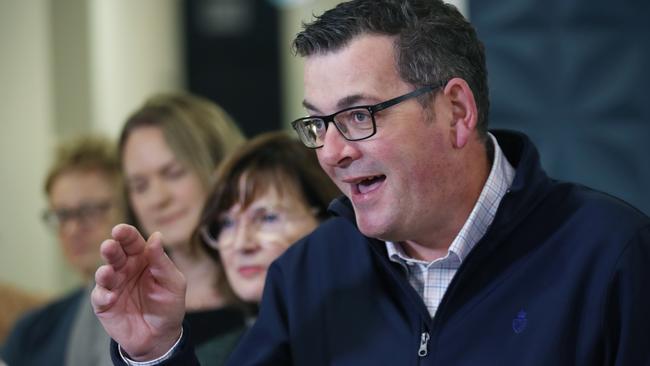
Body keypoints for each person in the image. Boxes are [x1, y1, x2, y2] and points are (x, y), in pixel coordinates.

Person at [92, 1, 650, 365]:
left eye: (360, 116)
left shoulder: (611, 255)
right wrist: (155, 351)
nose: (331, 153)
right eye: (318, 122)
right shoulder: (308, 273)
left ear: (456, 110)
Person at [115, 93, 248, 364]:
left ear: (220, 168)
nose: (158, 199)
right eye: (140, 186)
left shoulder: (273, 288)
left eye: (174, 173)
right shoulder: (120, 302)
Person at [185, 131, 340, 363]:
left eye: (267, 218)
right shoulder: (209, 359)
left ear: (329, 221)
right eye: (227, 223)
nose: (241, 244)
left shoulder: (379, 339)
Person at [2, 135, 124, 366]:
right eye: (62, 215)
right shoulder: (33, 329)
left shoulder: (164, 315)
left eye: (89, 211)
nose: (72, 229)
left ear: (128, 207)